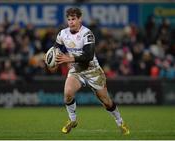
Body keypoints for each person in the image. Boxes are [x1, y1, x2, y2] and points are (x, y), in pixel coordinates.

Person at [47, 7, 130, 135]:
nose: (71, 22)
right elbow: (55, 49)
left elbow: (88, 56)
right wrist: (53, 62)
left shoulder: (87, 34)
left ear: (80, 19)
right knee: (68, 93)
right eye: (69, 19)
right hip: (77, 70)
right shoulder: (62, 34)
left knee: (106, 101)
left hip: (93, 70)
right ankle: (72, 120)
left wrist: (68, 59)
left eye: (73, 19)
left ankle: (120, 122)